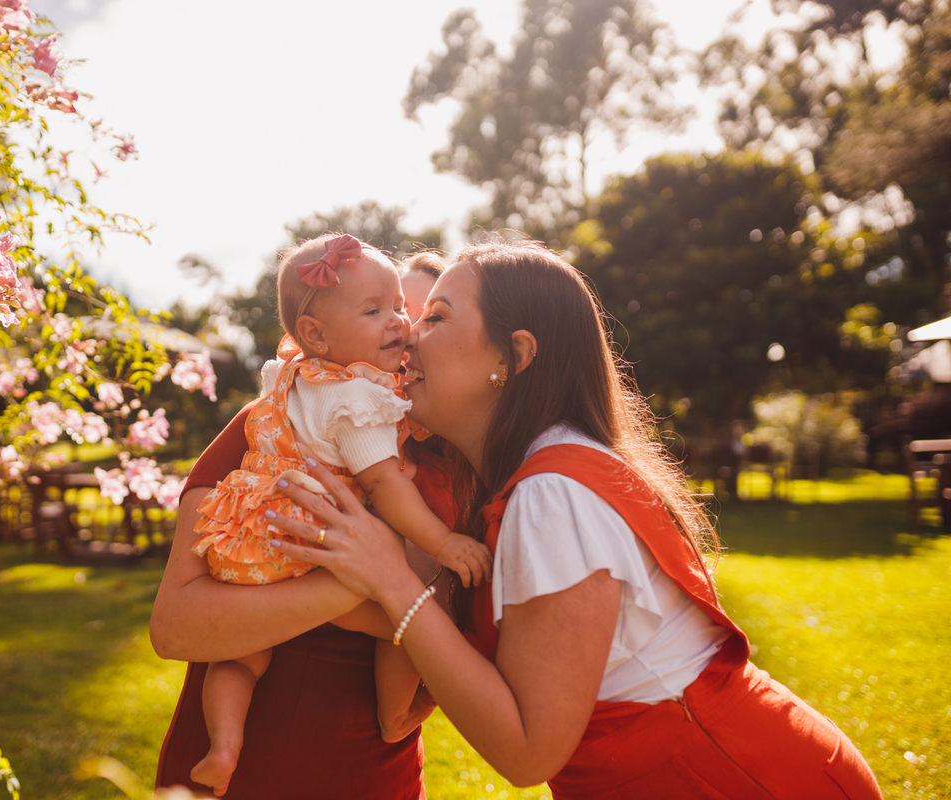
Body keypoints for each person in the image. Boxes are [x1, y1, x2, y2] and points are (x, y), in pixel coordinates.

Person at [266, 241, 885, 799]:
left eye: (436, 316)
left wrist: (390, 580)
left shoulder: (552, 497)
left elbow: (527, 751)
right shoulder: (539, 476)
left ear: (514, 356)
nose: (410, 335)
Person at [153, 237, 474, 798]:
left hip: (374, 777)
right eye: (386, 312)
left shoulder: (462, 463)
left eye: (422, 321)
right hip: (248, 779)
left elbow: (477, 634)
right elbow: (174, 625)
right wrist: (359, 589)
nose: (406, 334)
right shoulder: (278, 422)